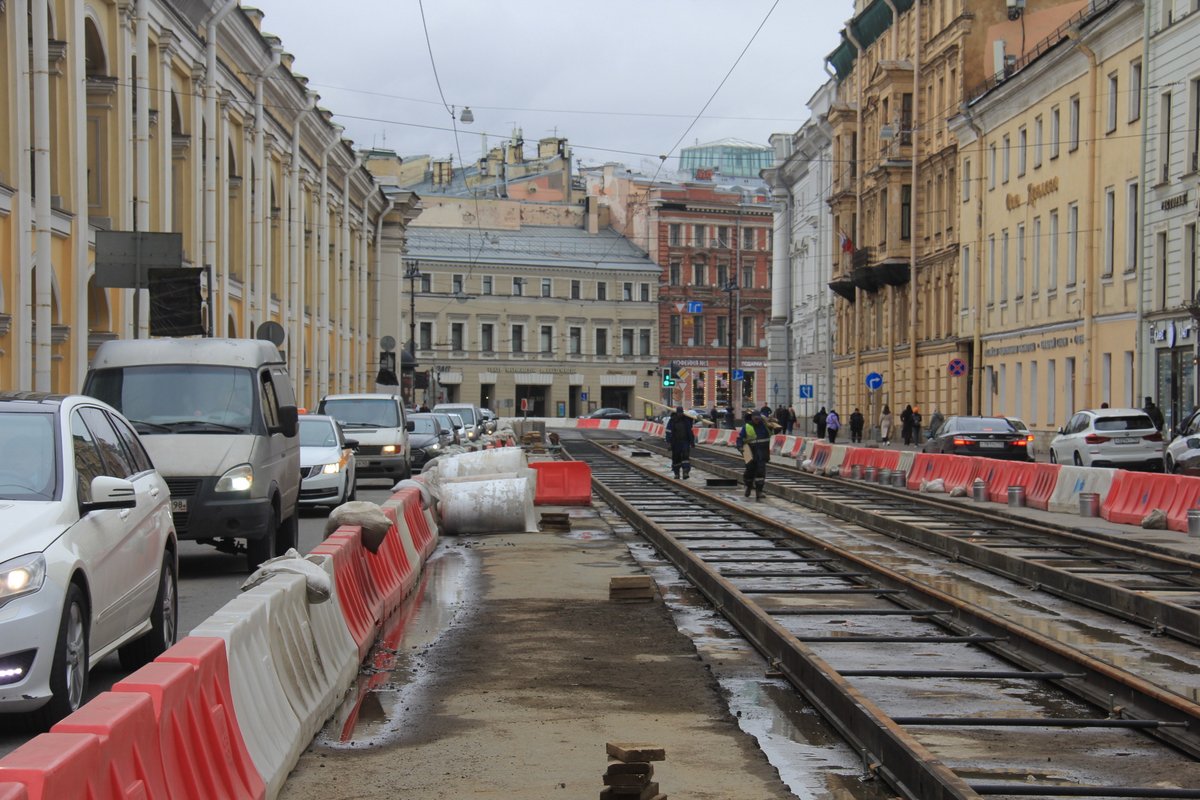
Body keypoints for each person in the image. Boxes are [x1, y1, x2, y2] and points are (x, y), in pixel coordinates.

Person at [736, 411, 771, 500]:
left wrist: (771, 421)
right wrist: (739, 446)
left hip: (762, 453)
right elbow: (740, 438)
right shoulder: (747, 426)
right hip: (751, 453)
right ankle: (748, 487)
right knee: (749, 472)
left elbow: (775, 430)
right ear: (752, 418)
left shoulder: (765, 426)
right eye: (755, 418)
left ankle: (759, 491)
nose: (757, 420)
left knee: (760, 472)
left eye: (758, 418)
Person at [665, 406, 695, 480]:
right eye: (679, 413)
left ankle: (685, 472)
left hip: (685, 441)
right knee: (676, 458)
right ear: (677, 412)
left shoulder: (686, 420)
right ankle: (676, 473)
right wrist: (668, 442)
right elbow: (668, 431)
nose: (680, 414)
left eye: (681, 413)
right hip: (675, 442)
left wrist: (692, 442)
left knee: (685, 457)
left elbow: (689, 431)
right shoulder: (672, 420)